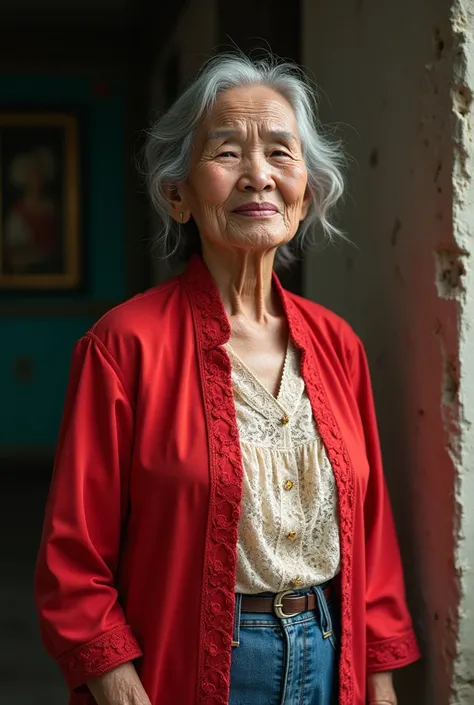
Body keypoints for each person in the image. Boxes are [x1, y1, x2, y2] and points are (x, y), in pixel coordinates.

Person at [34, 53, 420, 705]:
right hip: (192, 669)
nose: (259, 176)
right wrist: (116, 680)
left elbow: (373, 536)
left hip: (331, 660)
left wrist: (378, 679)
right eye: (227, 153)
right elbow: (74, 555)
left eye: (279, 152)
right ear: (177, 193)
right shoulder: (124, 345)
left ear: (308, 191)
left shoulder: (337, 345)